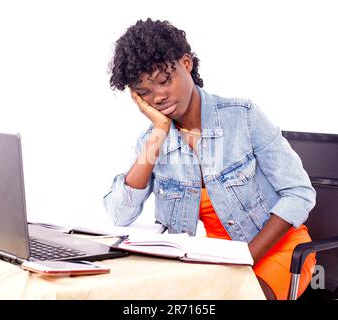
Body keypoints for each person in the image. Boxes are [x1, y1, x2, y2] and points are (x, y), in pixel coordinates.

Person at [104, 18, 317, 300]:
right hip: (211, 261)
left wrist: (243, 260)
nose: (157, 96)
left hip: (277, 251)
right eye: (144, 92)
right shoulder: (153, 142)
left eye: (163, 81)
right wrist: (158, 133)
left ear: (186, 63)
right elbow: (119, 215)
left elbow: (299, 193)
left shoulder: (243, 117)